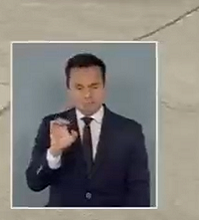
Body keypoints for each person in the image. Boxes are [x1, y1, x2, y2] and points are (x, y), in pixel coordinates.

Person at [24, 53, 151, 208]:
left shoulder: (130, 130)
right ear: (68, 89)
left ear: (104, 86)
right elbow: (34, 183)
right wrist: (55, 152)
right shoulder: (52, 125)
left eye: (94, 86)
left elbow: (139, 192)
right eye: (79, 87)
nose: (87, 95)